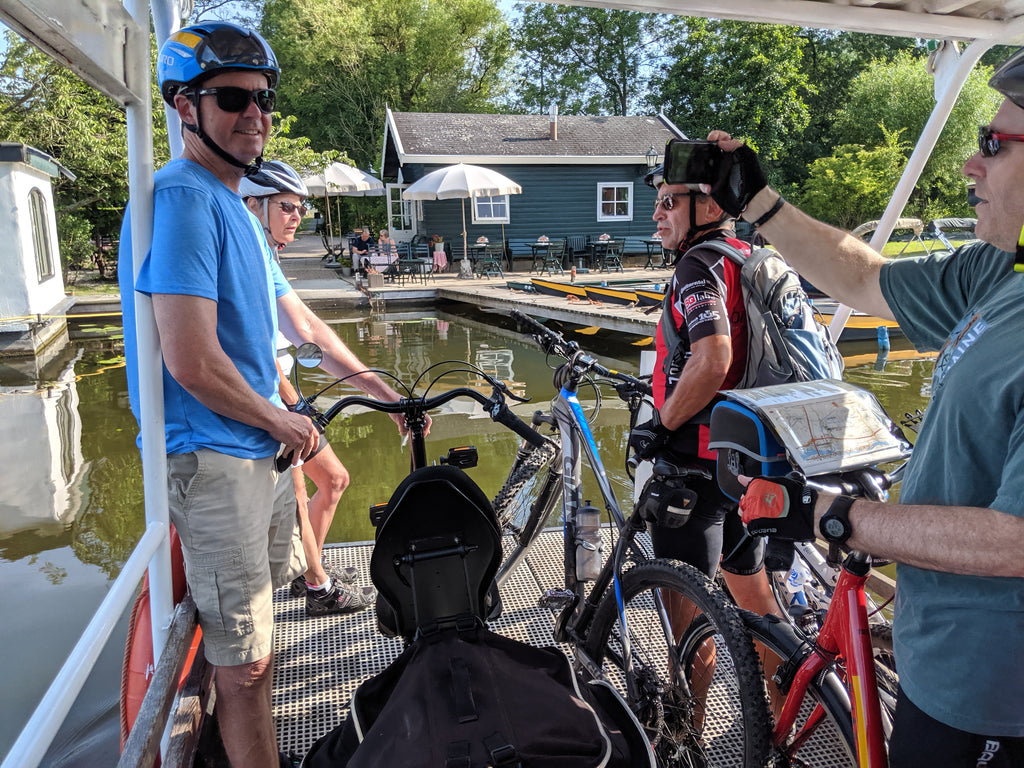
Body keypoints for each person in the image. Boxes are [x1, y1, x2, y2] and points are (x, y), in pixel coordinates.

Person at [708, 48, 1024, 767]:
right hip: (941, 663)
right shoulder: (1001, 269)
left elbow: (1017, 540)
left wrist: (841, 516)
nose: (972, 165)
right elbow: (866, 278)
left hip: (995, 696)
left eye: (993, 145)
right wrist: (758, 203)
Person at [117, 23, 407, 768]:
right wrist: (288, 420)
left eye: (265, 99)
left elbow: (295, 324)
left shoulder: (233, 209)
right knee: (244, 669)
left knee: (254, 646)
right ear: (185, 106)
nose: (257, 114)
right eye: (235, 98)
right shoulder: (183, 198)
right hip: (217, 461)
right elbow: (190, 358)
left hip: (257, 455)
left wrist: (378, 390)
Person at [627, 153, 783, 715]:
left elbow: (713, 356)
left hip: (697, 467)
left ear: (711, 205)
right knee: (753, 593)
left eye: (670, 201)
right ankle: (785, 716)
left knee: (686, 614)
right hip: (749, 461)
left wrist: (660, 426)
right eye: (657, 202)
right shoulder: (751, 256)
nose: (658, 214)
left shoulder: (698, 265)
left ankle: (685, 729)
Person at [239, 161, 370, 617]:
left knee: (333, 481)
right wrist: (291, 404)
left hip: (289, 401)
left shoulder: (265, 255)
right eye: (287, 207)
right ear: (253, 205)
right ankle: (317, 586)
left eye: (301, 207)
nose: (297, 216)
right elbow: (257, 348)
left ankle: (306, 571)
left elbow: (305, 329)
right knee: (300, 491)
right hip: (273, 406)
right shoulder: (248, 256)